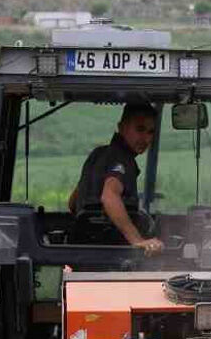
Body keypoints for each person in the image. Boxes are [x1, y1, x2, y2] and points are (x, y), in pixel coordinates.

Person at [67, 103, 165, 256]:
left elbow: (73, 202)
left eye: (150, 132)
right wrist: (137, 240)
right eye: (139, 129)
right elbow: (110, 195)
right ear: (122, 127)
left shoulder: (97, 154)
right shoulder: (124, 159)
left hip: (81, 252)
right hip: (111, 254)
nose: (145, 138)